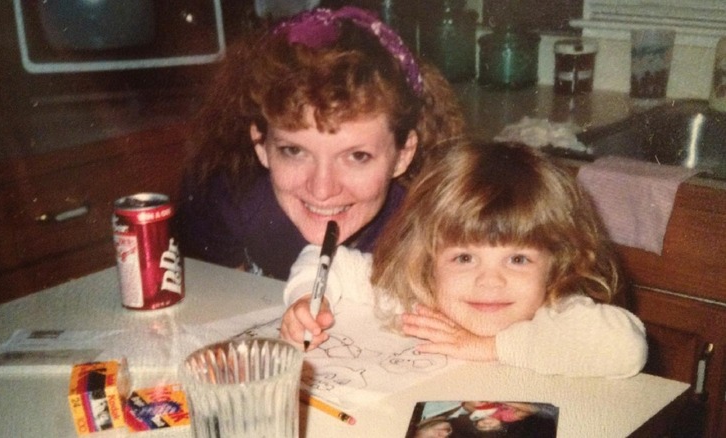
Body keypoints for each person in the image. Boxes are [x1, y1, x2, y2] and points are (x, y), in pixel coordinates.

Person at [280, 141, 648, 378]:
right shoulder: (417, 297)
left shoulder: (555, 310)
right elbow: (323, 257)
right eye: (465, 257)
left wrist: (491, 348)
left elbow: (628, 348)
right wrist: (306, 300)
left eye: (518, 259)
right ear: (427, 257)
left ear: (556, 262)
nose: (490, 282)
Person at [179, 6, 466, 279]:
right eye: (294, 151)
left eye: (358, 156)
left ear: (403, 155)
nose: (322, 189)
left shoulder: (432, 231)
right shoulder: (229, 200)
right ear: (260, 144)